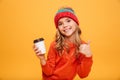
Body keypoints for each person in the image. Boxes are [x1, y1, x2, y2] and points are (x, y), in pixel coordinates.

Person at [33, 7, 93, 80]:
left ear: (76, 23)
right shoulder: (55, 45)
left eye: (68, 21)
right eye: (60, 24)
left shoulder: (82, 47)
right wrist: (42, 59)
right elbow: (48, 72)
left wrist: (88, 56)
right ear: (58, 28)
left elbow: (83, 75)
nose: (64, 25)